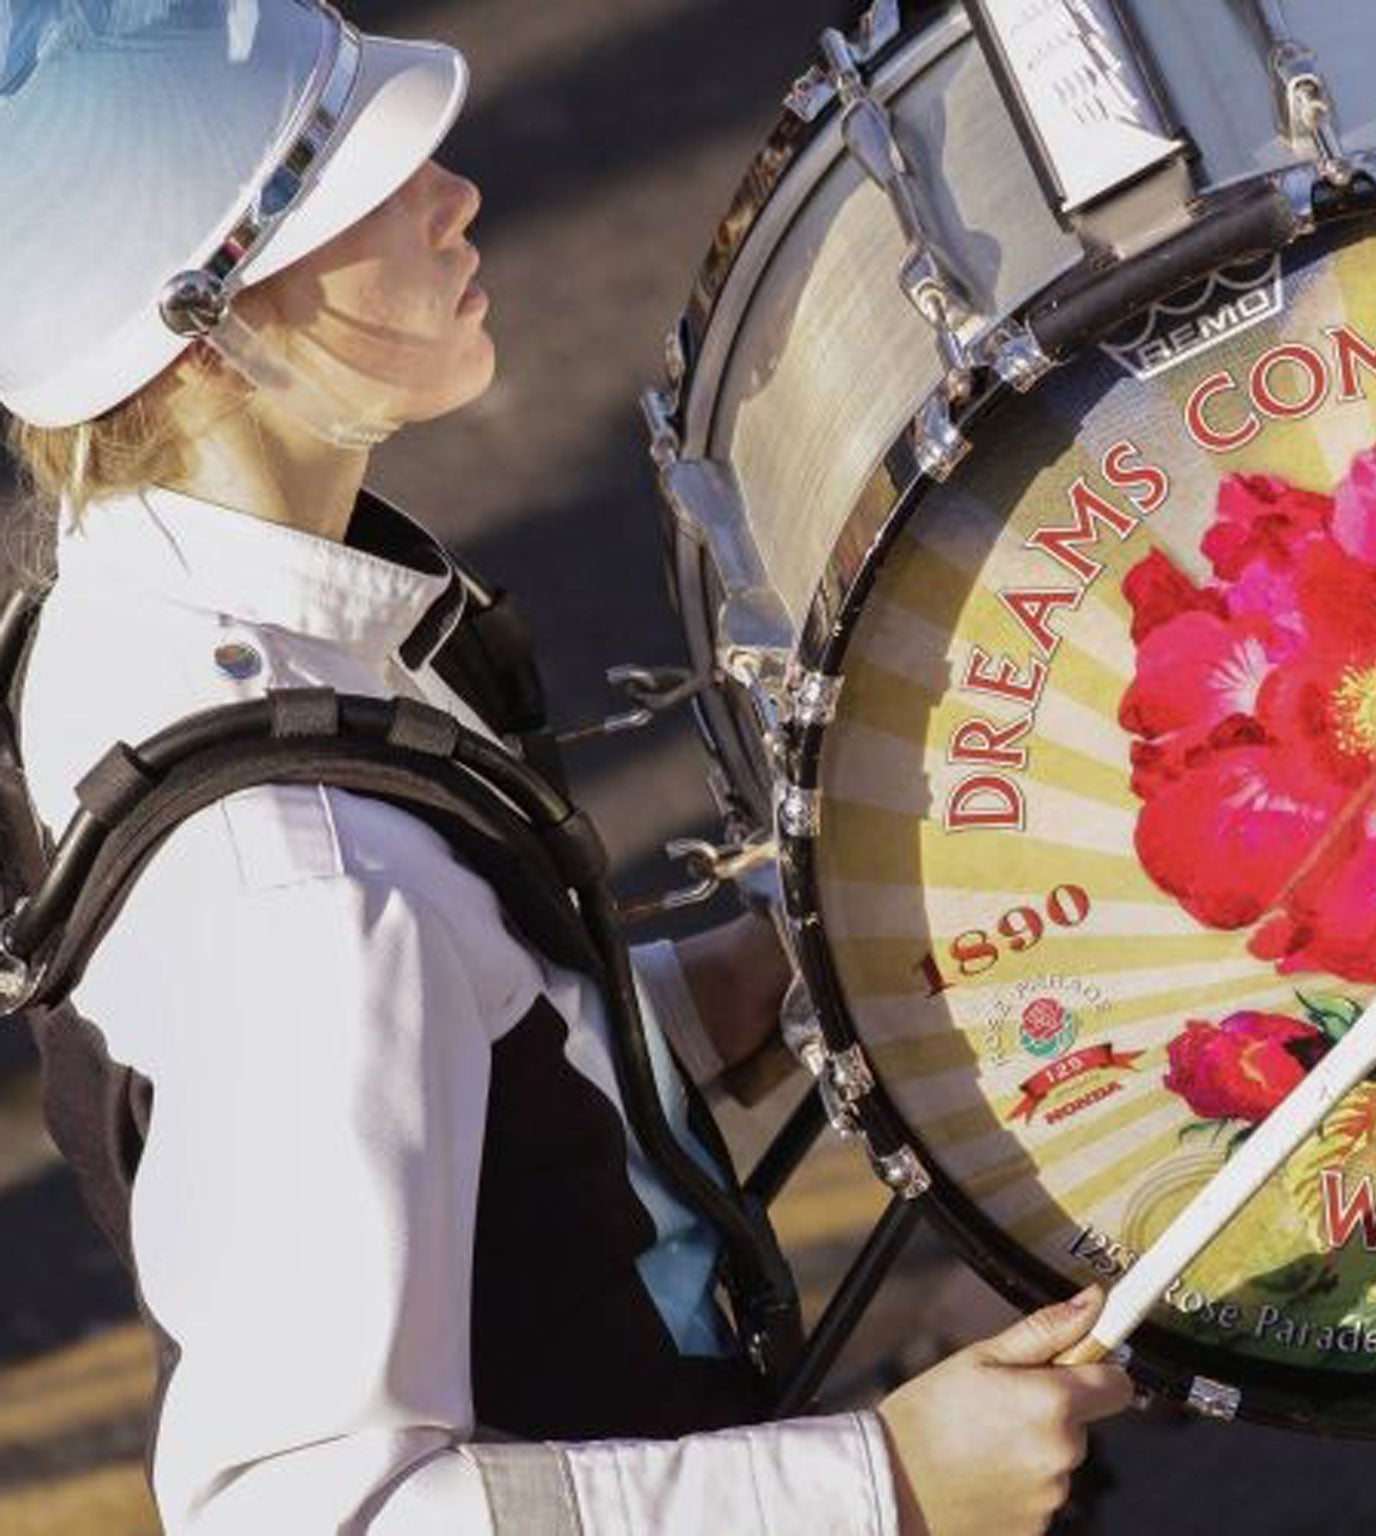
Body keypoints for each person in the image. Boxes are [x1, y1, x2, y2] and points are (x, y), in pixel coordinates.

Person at [0, 3, 1130, 1533]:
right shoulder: (301, 890)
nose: (452, 193)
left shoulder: (125, 614)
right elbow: (309, 1514)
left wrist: (750, 980)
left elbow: (434, 1076)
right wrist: (890, 1483)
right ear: (204, 324)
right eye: (355, 183)